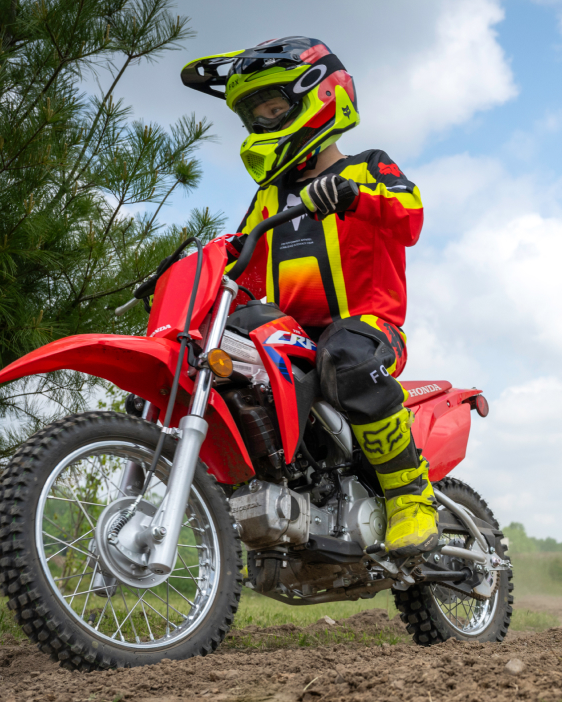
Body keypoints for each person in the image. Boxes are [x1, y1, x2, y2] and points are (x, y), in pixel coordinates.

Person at [181, 37, 435, 557]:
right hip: (292, 338)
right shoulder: (268, 199)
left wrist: (354, 195)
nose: (267, 121)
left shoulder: (368, 167)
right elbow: (240, 262)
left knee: (342, 355)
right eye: (258, 115)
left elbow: (410, 216)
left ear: (319, 99)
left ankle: (410, 495)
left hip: (368, 326)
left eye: (277, 108)